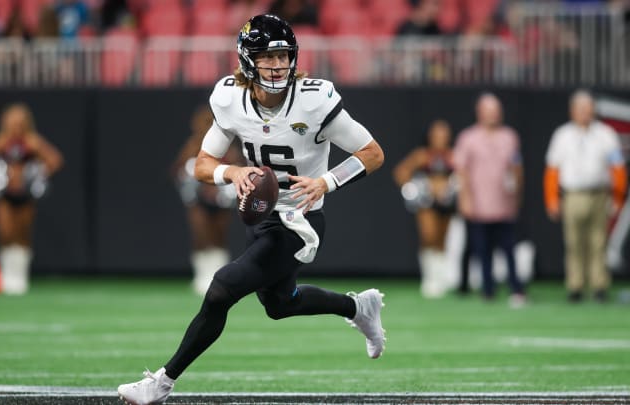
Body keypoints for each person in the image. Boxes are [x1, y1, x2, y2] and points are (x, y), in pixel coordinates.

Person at [118, 14, 386, 405]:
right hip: (261, 217)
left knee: (221, 289)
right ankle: (358, 306)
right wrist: (234, 171)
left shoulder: (313, 100)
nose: (277, 66)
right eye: (267, 57)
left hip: (301, 221)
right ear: (247, 60)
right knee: (280, 305)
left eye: (283, 56)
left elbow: (373, 153)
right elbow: (203, 164)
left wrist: (326, 181)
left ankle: (161, 382)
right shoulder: (230, 99)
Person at [544, 89, 627, 303]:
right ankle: (575, 286)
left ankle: (599, 286)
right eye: (581, 109)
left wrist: (618, 196)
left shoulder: (605, 133)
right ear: (572, 111)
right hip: (573, 195)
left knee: (598, 242)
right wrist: (552, 199)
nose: (585, 113)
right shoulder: (562, 135)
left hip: (599, 193)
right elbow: (552, 169)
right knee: (574, 242)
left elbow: (618, 167)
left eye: (588, 108)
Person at [0, 103, 63, 295]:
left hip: (25, 193)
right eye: (12, 122)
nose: (16, 126)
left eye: (19, 122)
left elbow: (54, 159)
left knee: (22, 233)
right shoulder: (1, 141)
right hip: (5, 193)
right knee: (5, 232)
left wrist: (38, 173)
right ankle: (7, 275)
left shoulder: (32, 142)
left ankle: (19, 276)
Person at [453, 93, 526, 307]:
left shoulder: (509, 136)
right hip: (479, 204)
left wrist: (517, 194)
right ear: (479, 113)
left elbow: (516, 168)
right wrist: (465, 200)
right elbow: (462, 171)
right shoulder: (468, 138)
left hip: (503, 203)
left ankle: (516, 287)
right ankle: (488, 289)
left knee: (509, 249)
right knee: (481, 250)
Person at [173, 105, 245, 295]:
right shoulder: (192, 146)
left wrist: (223, 189)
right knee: (201, 236)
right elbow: (179, 171)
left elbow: (238, 169)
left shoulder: (228, 148)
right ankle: (202, 276)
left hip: (221, 200)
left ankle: (219, 276)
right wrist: (194, 185)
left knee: (220, 235)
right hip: (197, 200)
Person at [393, 119, 456, 298]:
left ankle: (441, 278)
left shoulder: (452, 155)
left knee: (442, 240)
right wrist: (416, 188)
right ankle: (429, 279)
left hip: (447, 202)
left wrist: (453, 186)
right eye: (437, 134)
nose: (440, 137)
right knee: (429, 236)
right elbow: (401, 172)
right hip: (426, 202)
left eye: (444, 134)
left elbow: (462, 174)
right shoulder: (423, 155)